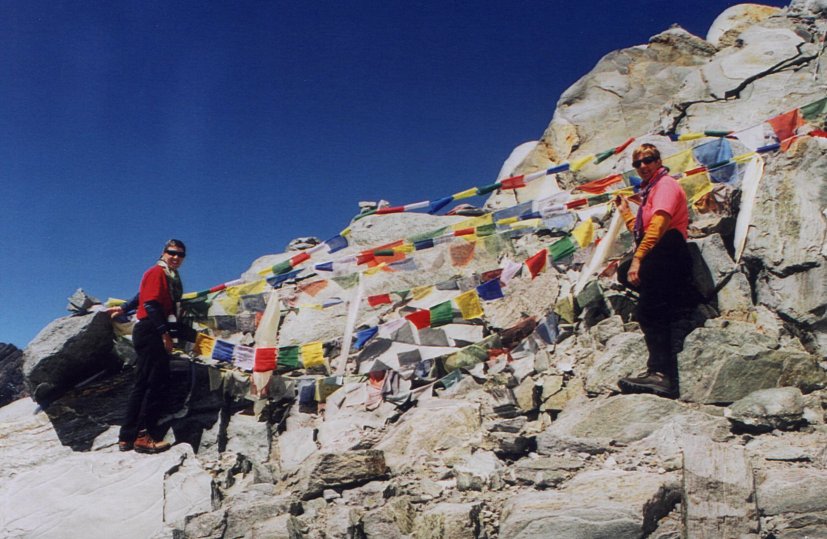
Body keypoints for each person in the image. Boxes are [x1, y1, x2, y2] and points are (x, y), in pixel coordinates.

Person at [615, 144, 700, 398]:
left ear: (658, 160)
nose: (643, 166)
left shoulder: (665, 186)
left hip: (670, 250)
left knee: (648, 311)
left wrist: (638, 259)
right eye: (637, 163)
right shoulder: (649, 191)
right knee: (624, 274)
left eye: (648, 160)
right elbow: (642, 231)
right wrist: (626, 214)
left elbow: (659, 226)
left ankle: (661, 374)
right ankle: (671, 304)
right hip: (660, 253)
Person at [108, 239, 187, 453]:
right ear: (163, 252)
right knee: (154, 384)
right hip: (153, 330)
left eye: (181, 255)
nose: (176, 257)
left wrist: (124, 308)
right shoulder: (157, 272)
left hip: (148, 330)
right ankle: (144, 437)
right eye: (172, 253)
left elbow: (141, 297)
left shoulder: (164, 276)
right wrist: (165, 335)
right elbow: (151, 303)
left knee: (142, 384)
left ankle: (127, 437)